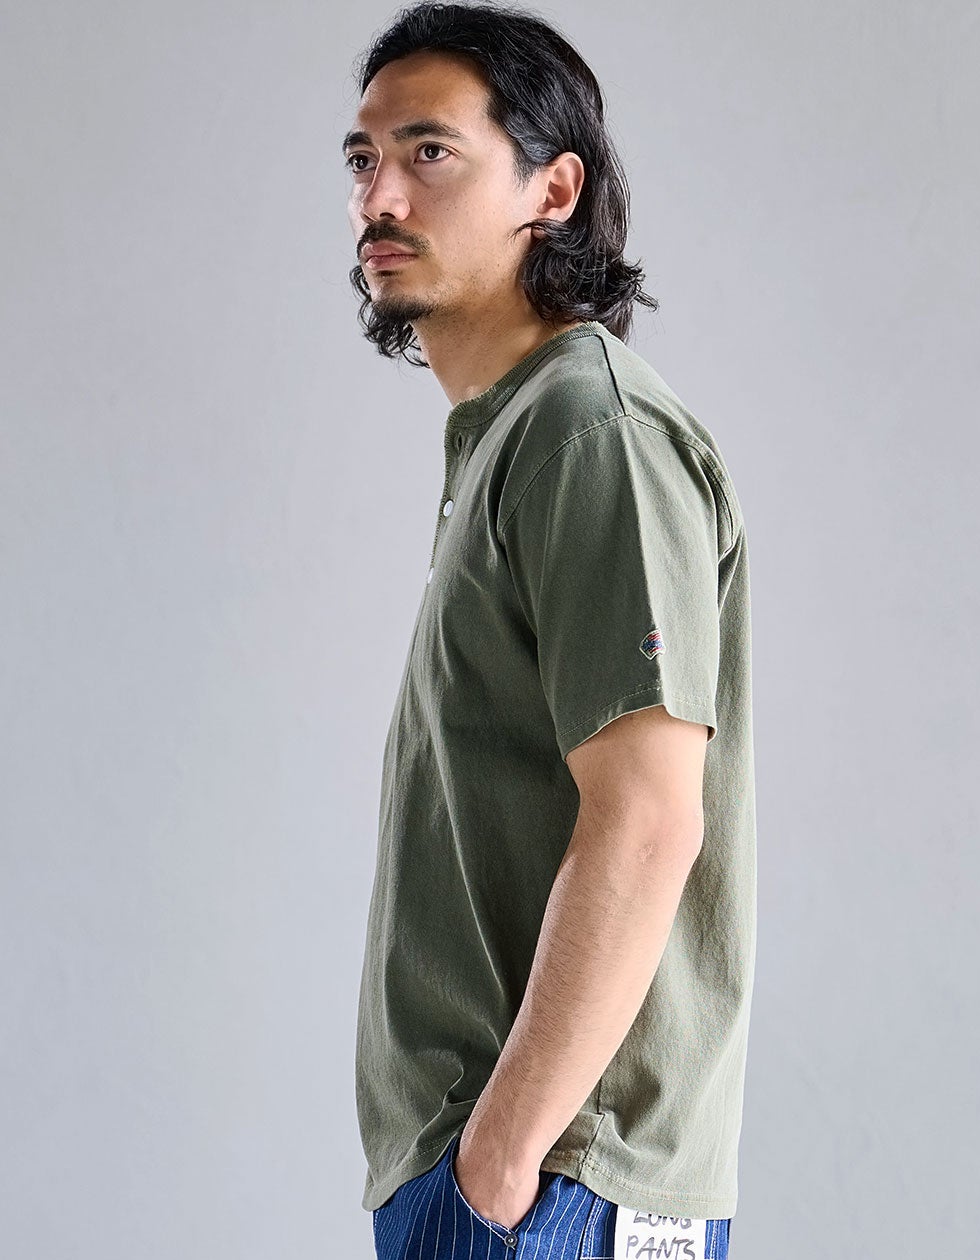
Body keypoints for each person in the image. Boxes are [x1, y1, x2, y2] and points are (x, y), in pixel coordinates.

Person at [344, 5, 755, 1258]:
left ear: (553, 190)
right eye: (363, 159)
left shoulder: (590, 431)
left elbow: (648, 818)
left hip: (557, 1186)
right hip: (508, 1180)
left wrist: (501, 1164)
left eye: (430, 153)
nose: (379, 198)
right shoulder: (515, 435)